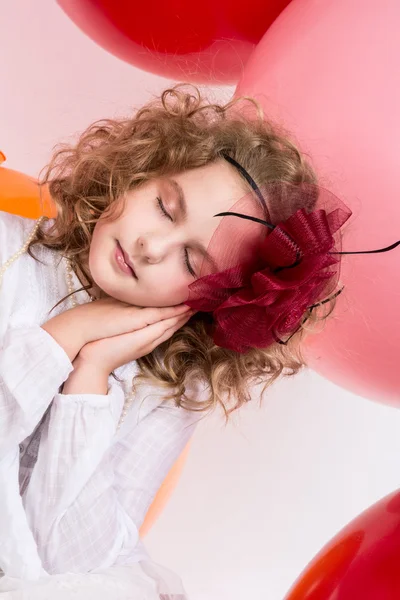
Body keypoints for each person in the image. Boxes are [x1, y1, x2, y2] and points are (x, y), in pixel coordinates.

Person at [0, 83, 363, 598]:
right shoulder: (7, 249)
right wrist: (63, 338)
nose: (151, 245)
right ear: (141, 171)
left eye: (192, 261)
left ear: (215, 300)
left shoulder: (171, 388)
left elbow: (75, 561)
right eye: (165, 207)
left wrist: (90, 377)